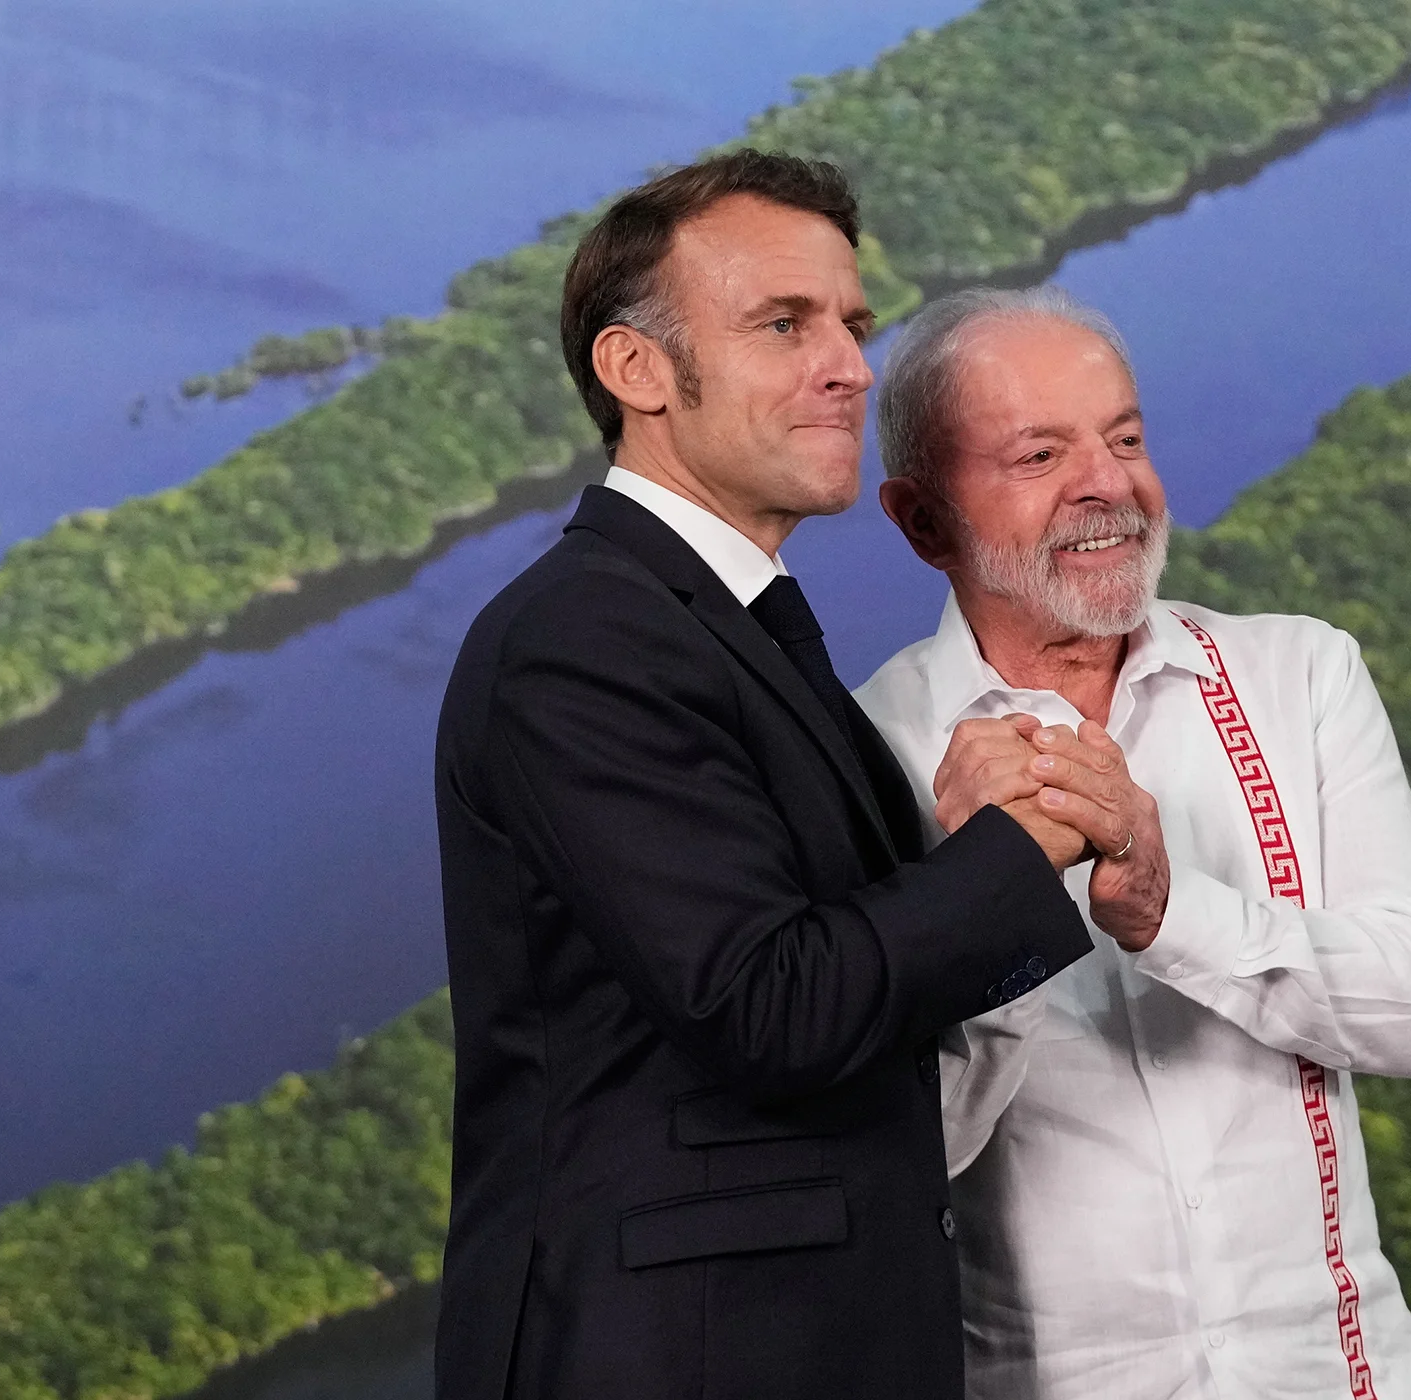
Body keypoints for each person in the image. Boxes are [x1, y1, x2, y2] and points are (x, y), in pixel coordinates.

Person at [431, 153, 1095, 1400]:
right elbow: (771, 1007)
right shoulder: (585, 638)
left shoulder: (717, 626)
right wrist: (1017, 839)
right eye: (783, 324)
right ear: (636, 372)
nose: (849, 364)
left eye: (852, 323)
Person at [854, 285, 1411, 1399]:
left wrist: (1165, 904)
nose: (1109, 484)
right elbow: (894, 1163)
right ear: (922, 520)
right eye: (1041, 453)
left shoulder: (1301, 671)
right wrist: (993, 901)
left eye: (1126, 437)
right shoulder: (866, 753)